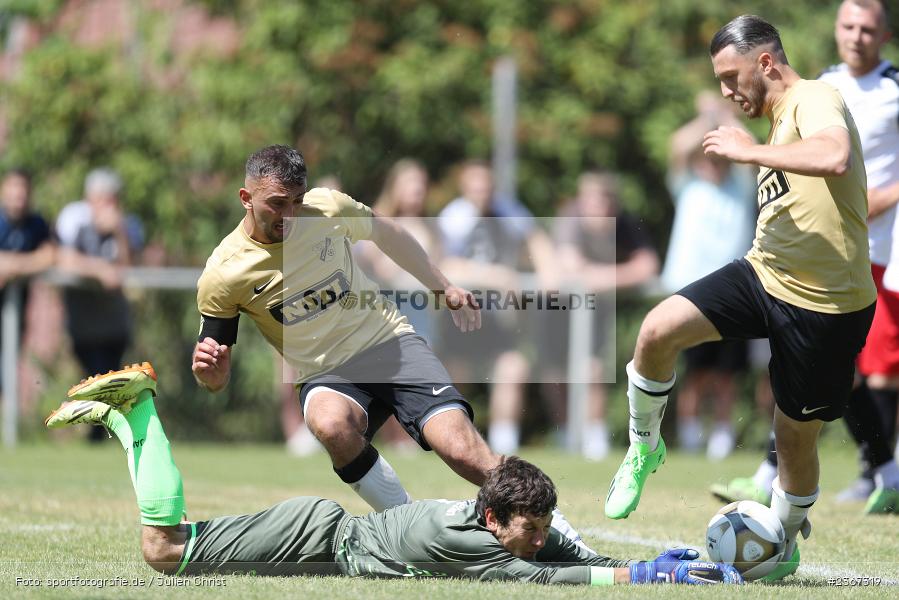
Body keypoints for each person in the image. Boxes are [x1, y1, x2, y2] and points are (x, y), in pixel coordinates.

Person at [189, 146, 583, 545]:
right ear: (246, 198)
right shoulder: (224, 274)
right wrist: (212, 375)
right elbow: (214, 377)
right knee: (329, 424)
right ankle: (408, 526)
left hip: (388, 343)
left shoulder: (327, 208)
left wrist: (443, 287)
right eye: (277, 203)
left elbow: (388, 234)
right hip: (325, 373)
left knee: (464, 452)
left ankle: (563, 534)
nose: (290, 214)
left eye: (297, 200)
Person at [604, 14, 876, 583]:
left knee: (793, 439)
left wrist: (750, 153)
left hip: (827, 304)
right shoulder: (775, 124)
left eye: (731, 77)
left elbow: (835, 156)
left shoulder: (813, 97)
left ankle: (783, 542)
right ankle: (644, 446)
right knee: (656, 330)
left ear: (766, 63)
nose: (727, 92)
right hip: (763, 271)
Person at [43, 368, 742, 586]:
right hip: (313, 540)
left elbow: (559, 553)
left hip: (322, 538)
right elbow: (545, 576)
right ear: (493, 519)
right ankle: (140, 412)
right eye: (528, 529)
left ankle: (123, 423)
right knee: (164, 551)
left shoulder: (501, 524)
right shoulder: (473, 543)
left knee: (167, 550)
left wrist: (644, 561)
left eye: (538, 528)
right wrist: (643, 576)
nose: (537, 539)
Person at [711, 0, 899, 514]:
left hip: (884, 246)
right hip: (828, 246)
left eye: (868, 28)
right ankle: (879, 473)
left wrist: (876, 199)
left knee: (871, 370)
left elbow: (840, 160)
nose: (856, 36)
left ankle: (875, 473)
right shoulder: (822, 84)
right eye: (848, 25)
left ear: (885, 36)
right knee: (832, 364)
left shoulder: (893, 87)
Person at [437, 160, 556, 455]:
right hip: (460, 317)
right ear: (464, 188)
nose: (482, 192)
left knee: (512, 370)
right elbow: (443, 265)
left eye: (487, 186)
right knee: (454, 377)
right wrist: (496, 276)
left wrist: (548, 273)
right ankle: (449, 442)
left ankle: (504, 449)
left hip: (498, 317)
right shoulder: (453, 217)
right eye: (476, 186)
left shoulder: (508, 211)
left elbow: (536, 239)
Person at [663, 93, 758, 460]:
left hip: (734, 291)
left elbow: (751, 149)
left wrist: (724, 115)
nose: (714, 164)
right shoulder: (688, 185)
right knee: (695, 371)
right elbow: (678, 145)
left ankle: (721, 434)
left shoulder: (741, 187)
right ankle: (690, 434)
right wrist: (708, 117)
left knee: (726, 373)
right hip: (690, 292)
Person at [543, 171, 658, 459]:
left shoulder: (624, 222)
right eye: (592, 199)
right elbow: (571, 265)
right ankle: (565, 433)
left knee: (593, 369)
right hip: (559, 309)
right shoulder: (569, 219)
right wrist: (611, 276)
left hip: (595, 307)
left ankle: (594, 437)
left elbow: (647, 266)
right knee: (555, 373)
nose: (599, 207)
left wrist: (604, 278)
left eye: (605, 200)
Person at [56, 167, 144, 442]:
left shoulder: (127, 225)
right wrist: (100, 270)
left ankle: (99, 437)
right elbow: (63, 259)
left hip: (114, 324)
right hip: (83, 323)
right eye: (102, 198)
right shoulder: (75, 220)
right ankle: (96, 434)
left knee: (107, 381)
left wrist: (118, 232)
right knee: (93, 380)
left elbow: (130, 266)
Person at [0, 169, 54, 397]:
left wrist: (12, 266)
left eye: (23, 189)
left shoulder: (36, 224)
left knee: (6, 373)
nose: (18, 195)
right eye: (13, 188)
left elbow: (49, 255)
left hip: (15, 311)